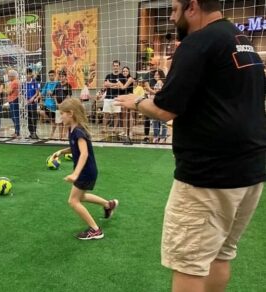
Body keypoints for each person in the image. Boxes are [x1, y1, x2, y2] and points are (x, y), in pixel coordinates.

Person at [115, 0, 266, 291]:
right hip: (250, 172)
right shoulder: (242, 41)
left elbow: (165, 109)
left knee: (190, 264)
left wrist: (136, 101)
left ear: (192, 7)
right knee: (220, 255)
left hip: (209, 175)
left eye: (174, 9)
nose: (172, 18)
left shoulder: (198, 42)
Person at [50, 98, 119, 240]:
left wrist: (75, 173)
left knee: (73, 201)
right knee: (80, 197)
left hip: (85, 172)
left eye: (62, 113)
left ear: (70, 113)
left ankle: (95, 230)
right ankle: (108, 204)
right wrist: (62, 152)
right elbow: (75, 148)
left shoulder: (78, 131)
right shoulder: (73, 129)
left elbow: (84, 153)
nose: (60, 116)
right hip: (87, 171)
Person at [102, 60, 126, 134]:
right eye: (114, 66)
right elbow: (105, 85)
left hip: (116, 98)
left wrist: (110, 84)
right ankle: (104, 128)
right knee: (106, 114)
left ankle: (114, 128)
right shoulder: (108, 76)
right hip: (108, 97)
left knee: (116, 114)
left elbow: (121, 87)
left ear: (119, 67)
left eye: (117, 66)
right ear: (112, 66)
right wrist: (115, 84)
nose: (115, 67)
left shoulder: (122, 76)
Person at [52, 71, 72, 139]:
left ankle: (64, 136)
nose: (61, 78)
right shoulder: (57, 85)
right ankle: (60, 136)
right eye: (60, 76)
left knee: (65, 122)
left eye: (62, 76)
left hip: (65, 106)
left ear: (65, 77)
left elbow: (68, 96)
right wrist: (57, 103)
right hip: (58, 106)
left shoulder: (68, 85)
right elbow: (54, 95)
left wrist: (62, 104)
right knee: (59, 121)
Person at [24, 68, 40, 139]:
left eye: (29, 74)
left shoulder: (34, 82)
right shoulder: (24, 83)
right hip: (27, 103)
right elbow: (22, 93)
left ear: (31, 74)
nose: (27, 75)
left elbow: (37, 92)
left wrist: (32, 98)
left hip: (33, 103)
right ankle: (30, 133)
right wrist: (25, 100)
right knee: (28, 118)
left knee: (34, 118)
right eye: (26, 74)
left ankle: (34, 132)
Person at [6, 69, 20, 138]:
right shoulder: (15, 82)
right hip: (13, 100)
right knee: (14, 117)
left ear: (12, 76)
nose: (8, 77)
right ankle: (16, 131)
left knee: (15, 117)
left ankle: (17, 132)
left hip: (14, 100)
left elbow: (8, 92)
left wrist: (5, 90)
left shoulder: (14, 82)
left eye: (8, 76)